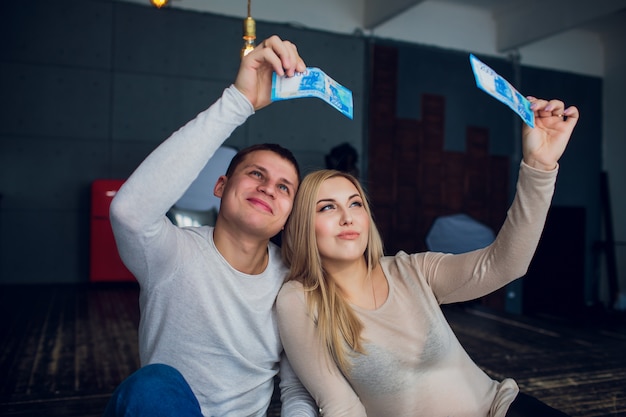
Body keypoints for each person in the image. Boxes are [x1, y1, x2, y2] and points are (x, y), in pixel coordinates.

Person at [276, 98, 579, 417]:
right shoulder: (299, 300)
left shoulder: (412, 270)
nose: (347, 217)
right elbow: (339, 404)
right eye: (327, 207)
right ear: (301, 227)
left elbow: (504, 265)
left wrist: (539, 167)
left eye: (355, 204)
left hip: (501, 409)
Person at [104, 35, 317, 417]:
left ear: (289, 213)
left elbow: (296, 386)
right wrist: (239, 101)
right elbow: (129, 212)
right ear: (221, 186)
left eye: (284, 187)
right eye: (256, 174)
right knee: (152, 388)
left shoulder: (292, 280)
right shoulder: (172, 254)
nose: (268, 188)